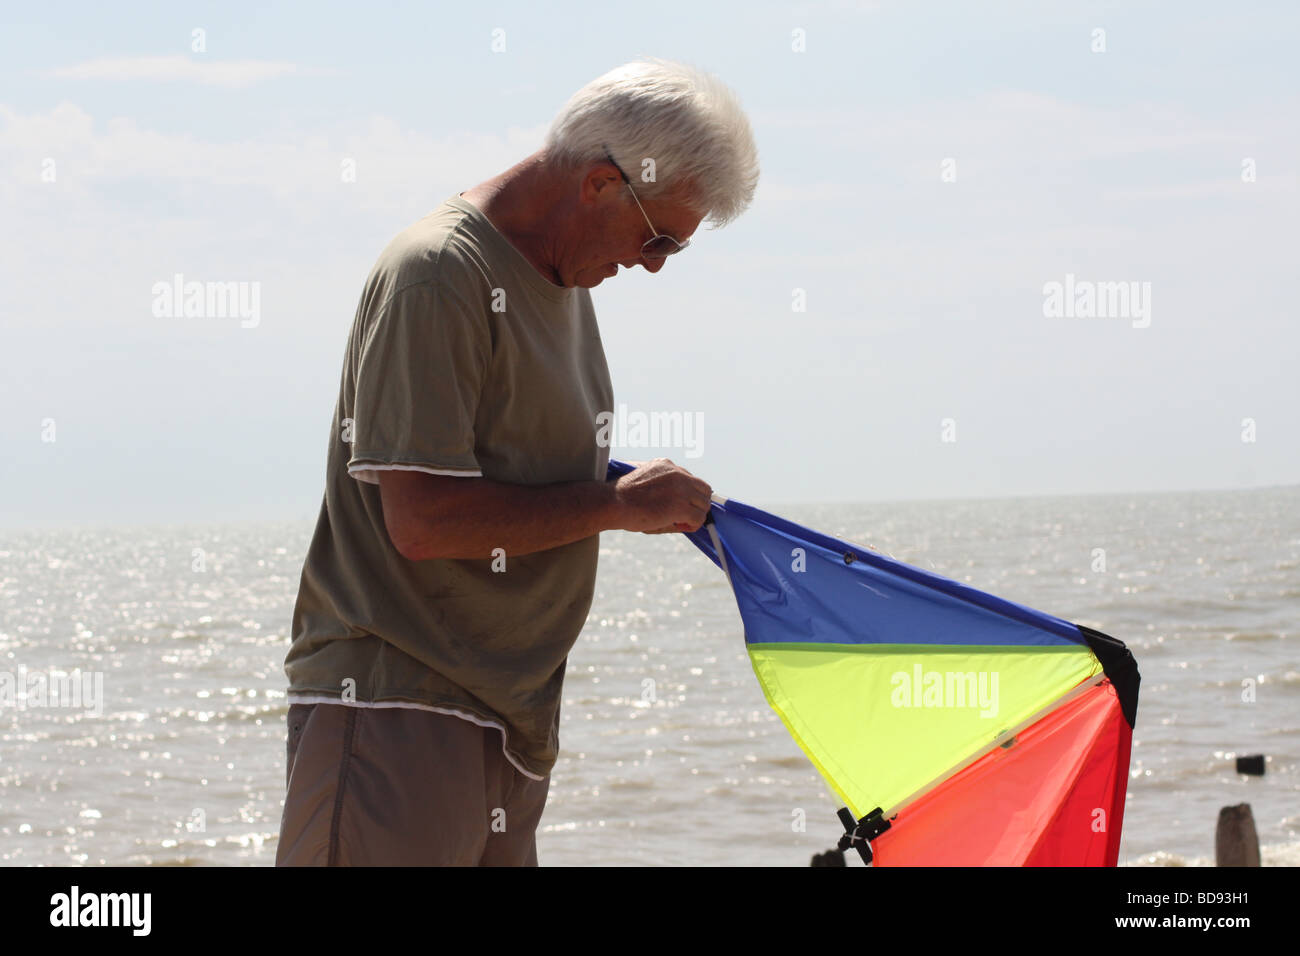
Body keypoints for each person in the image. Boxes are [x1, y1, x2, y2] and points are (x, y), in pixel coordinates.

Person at [275, 57, 759, 866]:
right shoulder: (438, 276)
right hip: (401, 707)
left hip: (509, 724)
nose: (654, 265)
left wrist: (636, 496)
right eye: (660, 237)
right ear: (602, 184)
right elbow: (423, 520)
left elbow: (519, 471)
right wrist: (614, 507)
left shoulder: (566, 283)